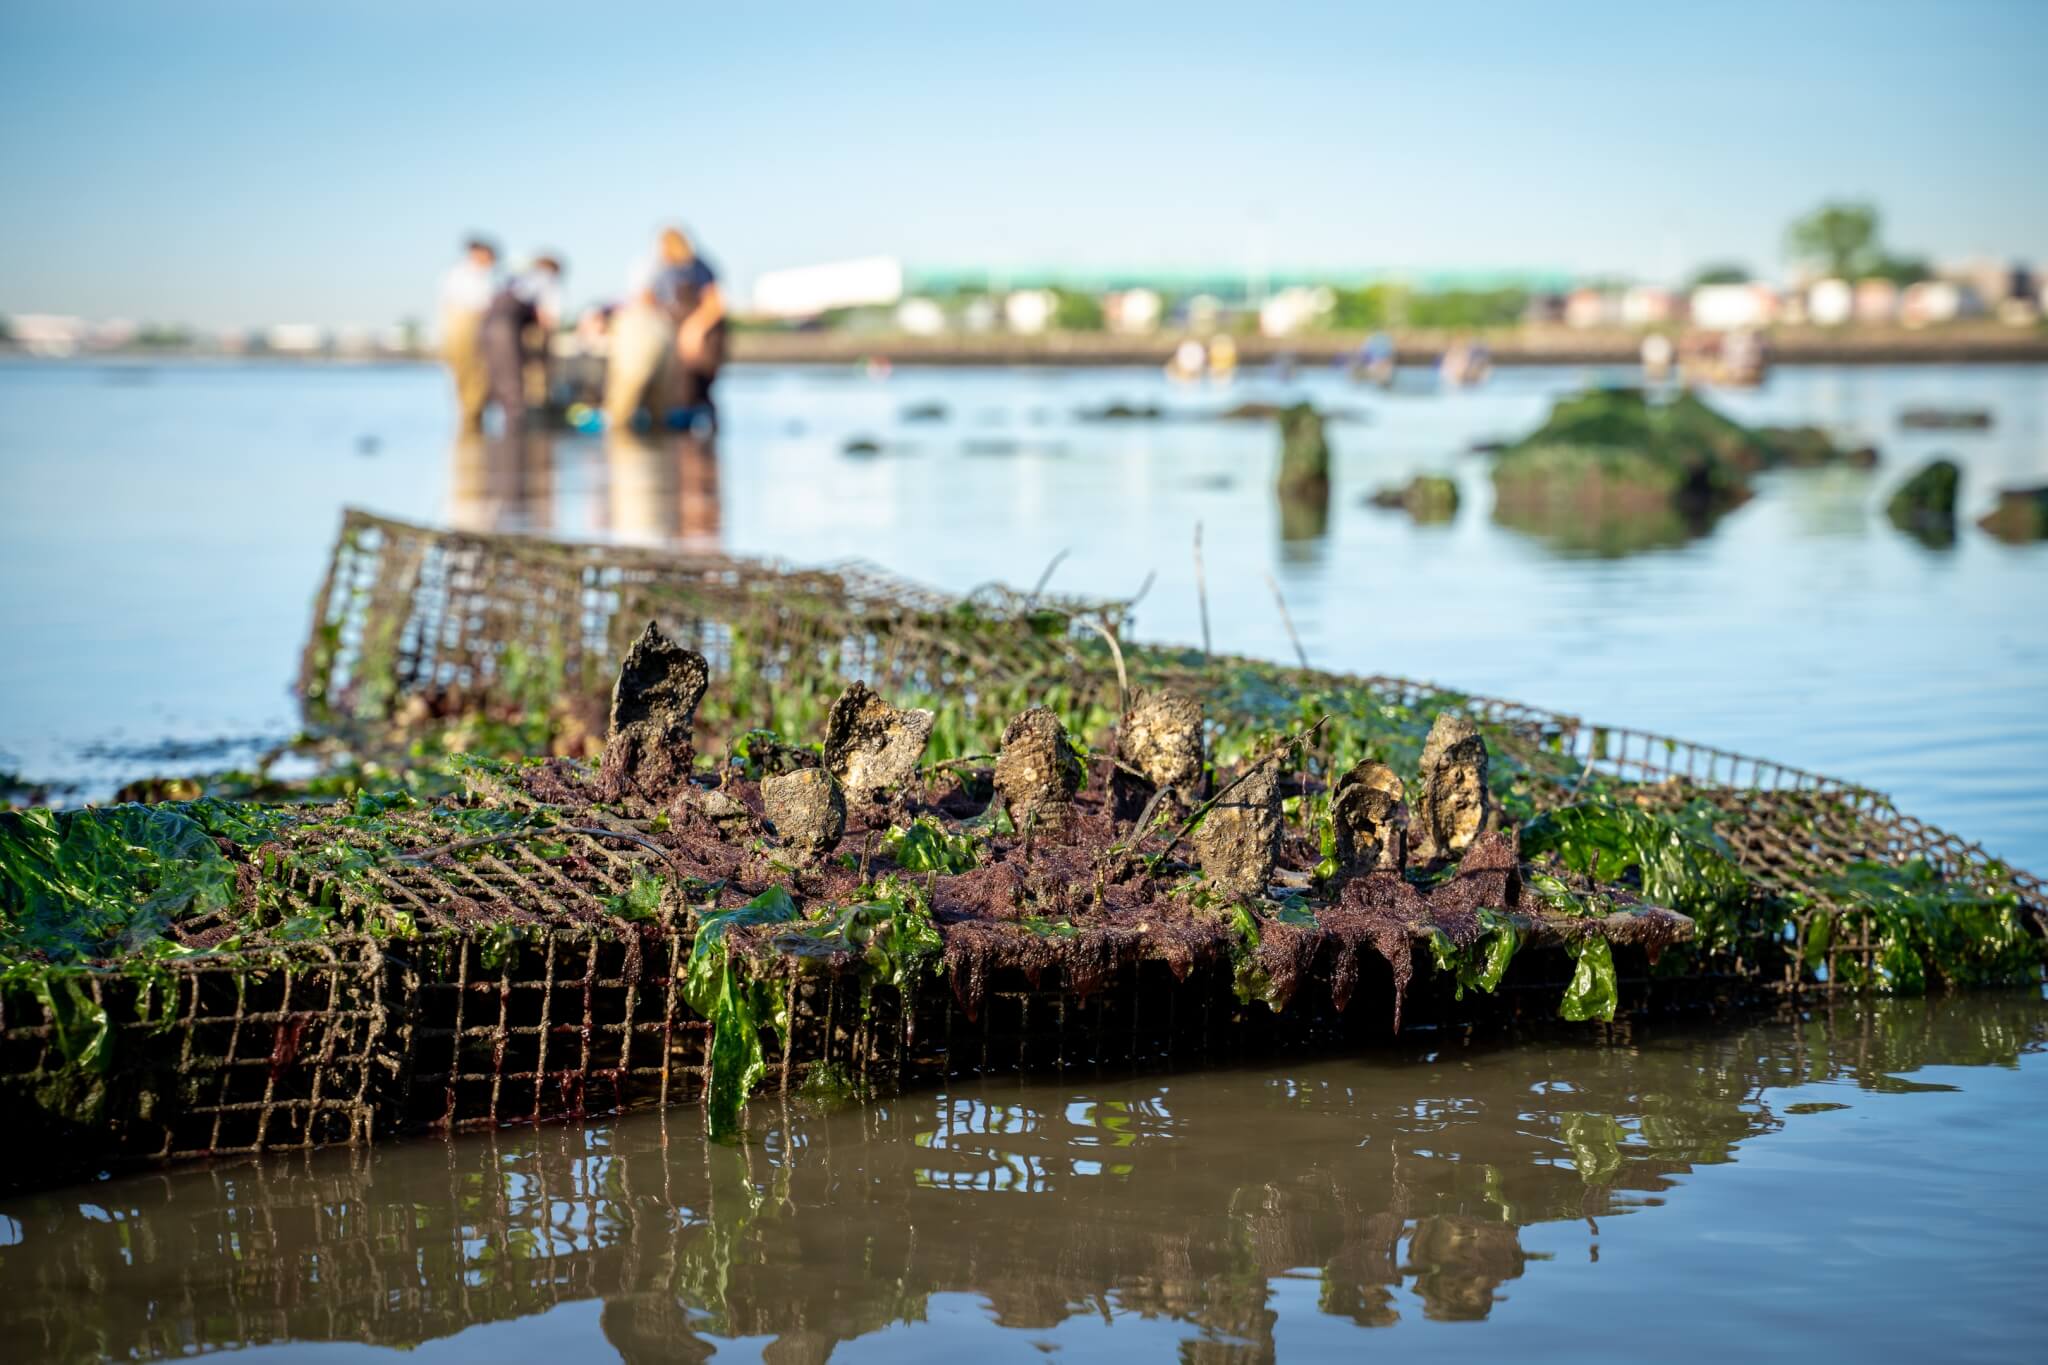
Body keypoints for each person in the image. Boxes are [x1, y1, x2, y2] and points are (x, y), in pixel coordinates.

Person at [603, 227, 725, 430]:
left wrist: (693, 331)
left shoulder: (700, 267)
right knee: (667, 390)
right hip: (662, 330)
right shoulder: (652, 266)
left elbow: (714, 303)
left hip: (695, 336)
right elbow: (644, 298)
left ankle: (693, 438)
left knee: (697, 387)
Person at [479, 254, 564, 427]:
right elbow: (548, 317)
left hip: (487, 326)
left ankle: (501, 416)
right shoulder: (547, 280)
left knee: (494, 371)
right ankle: (518, 418)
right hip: (509, 326)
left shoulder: (514, 277)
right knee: (513, 372)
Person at [438, 236, 498, 430]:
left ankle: (475, 410)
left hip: (483, 325)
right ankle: (467, 411)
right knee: (462, 367)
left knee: (481, 369)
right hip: (462, 324)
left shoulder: (489, 276)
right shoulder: (458, 274)